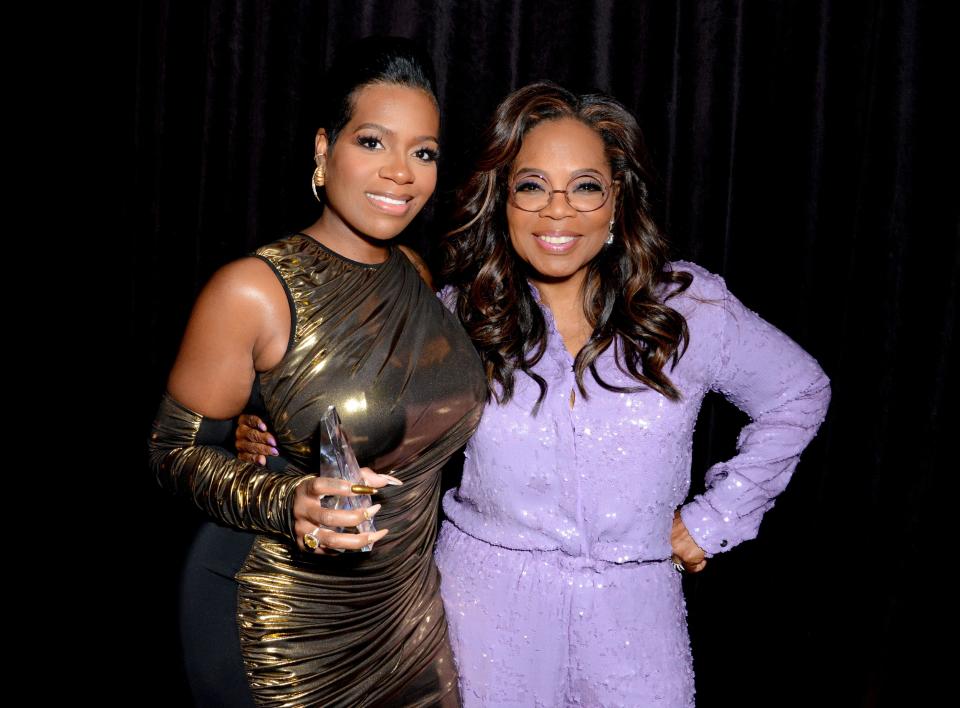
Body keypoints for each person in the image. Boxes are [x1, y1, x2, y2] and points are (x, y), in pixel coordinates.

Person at [238, 81, 831, 707]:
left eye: (584, 185)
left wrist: (716, 518)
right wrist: (276, 436)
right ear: (504, 200)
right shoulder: (456, 316)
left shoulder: (687, 307)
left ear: (616, 198)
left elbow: (798, 392)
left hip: (635, 622)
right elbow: (356, 414)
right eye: (531, 186)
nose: (557, 210)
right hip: (484, 615)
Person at [149, 37, 486, 707]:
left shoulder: (414, 276)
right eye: (373, 143)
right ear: (322, 150)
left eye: (423, 152)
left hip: (408, 621)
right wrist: (285, 496)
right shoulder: (253, 290)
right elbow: (171, 452)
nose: (401, 172)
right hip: (285, 632)